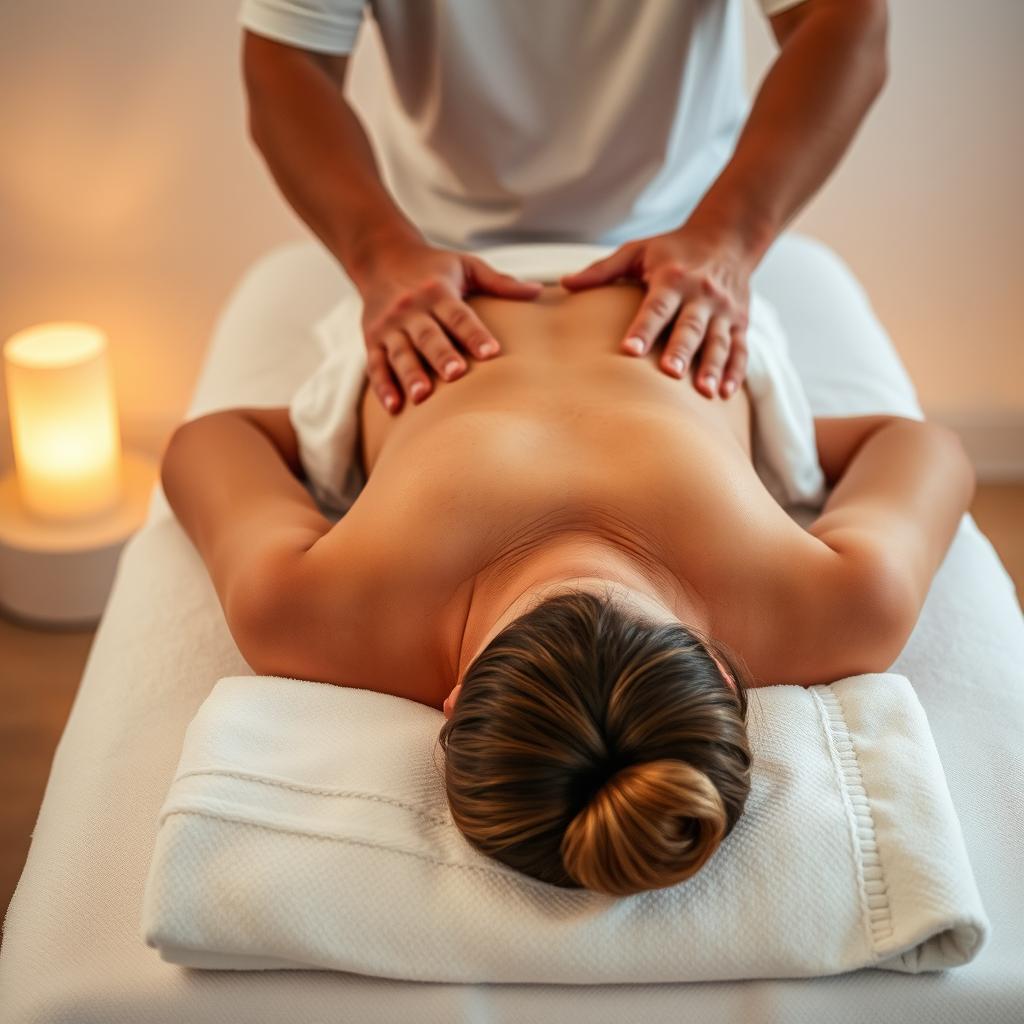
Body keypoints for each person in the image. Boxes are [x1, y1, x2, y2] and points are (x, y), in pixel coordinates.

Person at [160, 278, 974, 896]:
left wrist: (744, 443)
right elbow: (215, 443)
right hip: (476, 285)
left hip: (612, 286)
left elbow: (915, 448)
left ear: (723, 680)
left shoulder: (840, 606)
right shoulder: (309, 613)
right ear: (454, 705)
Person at [239, 0, 890, 413]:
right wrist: (381, 254)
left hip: (684, 241)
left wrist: (729, 237)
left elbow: (844, 20)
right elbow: (287, 59)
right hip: (433, 252)